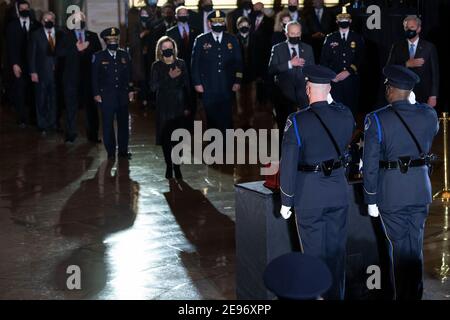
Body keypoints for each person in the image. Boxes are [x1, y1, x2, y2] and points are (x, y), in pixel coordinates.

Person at [362, 65, 439, 300]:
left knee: (399, 249)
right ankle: (414, 294)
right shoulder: (428, 114)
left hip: (392, 192)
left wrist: (370, 198)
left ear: (392, 90)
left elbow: (371, 163)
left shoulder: (376, 119)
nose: (386, 91)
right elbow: (431, 130)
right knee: (414, 248)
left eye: (388, 87)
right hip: (419, 190)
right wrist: (414, 105)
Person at [279, 65, 355, 300]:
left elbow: (289, 164)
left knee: (313, 258)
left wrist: (286, 200)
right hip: (338, 193)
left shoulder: (297, 121)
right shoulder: (345, 114)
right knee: (336, 255)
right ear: (330, 88)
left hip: (308, 196)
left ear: (308, 88)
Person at [191, 10, 243, 133]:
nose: (218, 24)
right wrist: (197, 83)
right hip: (208, 85)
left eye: (221, 21)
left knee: (227, 115)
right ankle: (214, 145)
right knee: (211, 116)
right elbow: (195, 64)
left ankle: (227, 144)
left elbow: (239, 63)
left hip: (227, 85)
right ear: (209, 24)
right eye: (215, 22)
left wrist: (238, 80)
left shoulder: (232, 40)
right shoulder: (201, 40)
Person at [150, 36, 190, 180]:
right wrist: (169, 76)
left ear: (174, 48)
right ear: (160, 50)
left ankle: (177, 167)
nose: (167, 50)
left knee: (178, 138)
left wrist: (188, 105)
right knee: (166, 139)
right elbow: (153, 86)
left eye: (169, 47)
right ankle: (168, 165)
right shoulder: (157, 65)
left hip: (178, 105)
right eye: (164, 48)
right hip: (164, 106)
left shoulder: (181, 63)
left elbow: (187, 86)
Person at [58, 12, 102, 143]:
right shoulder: (66, 37)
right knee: (71, 108)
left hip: (89, 79)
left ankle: (93, 136)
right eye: (76, 19)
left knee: (91, 109)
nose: (79, 21)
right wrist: (76, 48)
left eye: (81, 19)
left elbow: (99, 55)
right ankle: (71, 135)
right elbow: (59, 53)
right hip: (71, 79)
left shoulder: (93, 36)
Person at [92, 27, 134, 160]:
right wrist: (96, 93)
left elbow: (129, 75)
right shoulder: (98, 56)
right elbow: (94, 77)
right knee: (108, 124)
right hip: (106, 96)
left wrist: (131, 90)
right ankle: (110, 151)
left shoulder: (124, 55)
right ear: (105, 41)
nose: (113, 42)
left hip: (122, 95)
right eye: (110, 40)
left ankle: (123, 151)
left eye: (115, 39)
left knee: (123, 125)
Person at [268, 21, 314, 135]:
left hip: (303, 97)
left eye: (298, 33)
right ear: (286, 33)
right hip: (284, 96)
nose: (295, 36)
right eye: (292, 34)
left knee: (304, 127)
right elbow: (271, 70)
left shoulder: (308, 49)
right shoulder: (277, 49)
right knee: (285, 128)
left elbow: (312, 70)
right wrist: (289, 63)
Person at [386, 15, 439, 107]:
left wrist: (433, 96)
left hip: (424, 93)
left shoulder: (429, 47)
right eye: (406, 27)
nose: (408, 30)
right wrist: (406, 64)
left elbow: (435, 74)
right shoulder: (397, 46)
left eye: (412, 27)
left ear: (418, 29)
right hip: (402, 94)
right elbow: (389, 68)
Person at [320, 7, 364, 116]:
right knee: (335, 109)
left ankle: (351, 131)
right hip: (335, 80)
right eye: (341, 20)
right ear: (336, 21)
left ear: (350, 21)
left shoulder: (357, 38)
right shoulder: (330, 38)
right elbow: (324, 59)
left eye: (346, 20)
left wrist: (349, 71)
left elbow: (361, 58)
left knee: (351, 108)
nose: (344, 22)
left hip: (351, 79)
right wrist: (331, 76)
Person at [28, 11, 64, 135]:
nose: (48, 22)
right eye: (45, 19)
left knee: (54, 99)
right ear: (42, 21)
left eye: (51, 19)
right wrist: (33, 71)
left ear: (54, 21)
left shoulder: (60, 33)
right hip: (41, 72)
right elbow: (31, 55)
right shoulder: (35, 35)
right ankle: (42, 124)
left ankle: (53, 124)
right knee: (41, 99)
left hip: (56, 74)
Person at [5, 0, 39, 127]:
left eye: (26, 8)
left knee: (33, 92)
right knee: (20, 92)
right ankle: (22, 118)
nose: (24, 10)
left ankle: (34, 118)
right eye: (22, 8)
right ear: (18, 10)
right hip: (19, 64)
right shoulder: (11, 26)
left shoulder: (36, 25)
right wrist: (14, 64)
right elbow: (10, 47)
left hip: (33, 65)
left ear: (29, 10)